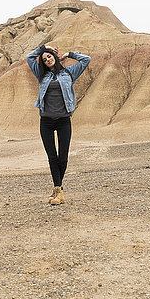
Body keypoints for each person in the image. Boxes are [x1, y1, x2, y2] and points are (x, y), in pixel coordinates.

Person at [26, 44, 91, 205]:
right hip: (46, 121)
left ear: (55, 57)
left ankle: (57, 188)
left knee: (63, 157)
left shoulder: (69, 72)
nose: (47, 59)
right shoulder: (41, 74)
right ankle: (58, 190)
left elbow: (86, 60)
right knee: (52, 157)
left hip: (64, 120)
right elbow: (29, 57)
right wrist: (43, 47)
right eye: (44, 58)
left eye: (49, 56)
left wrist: (68, 54)